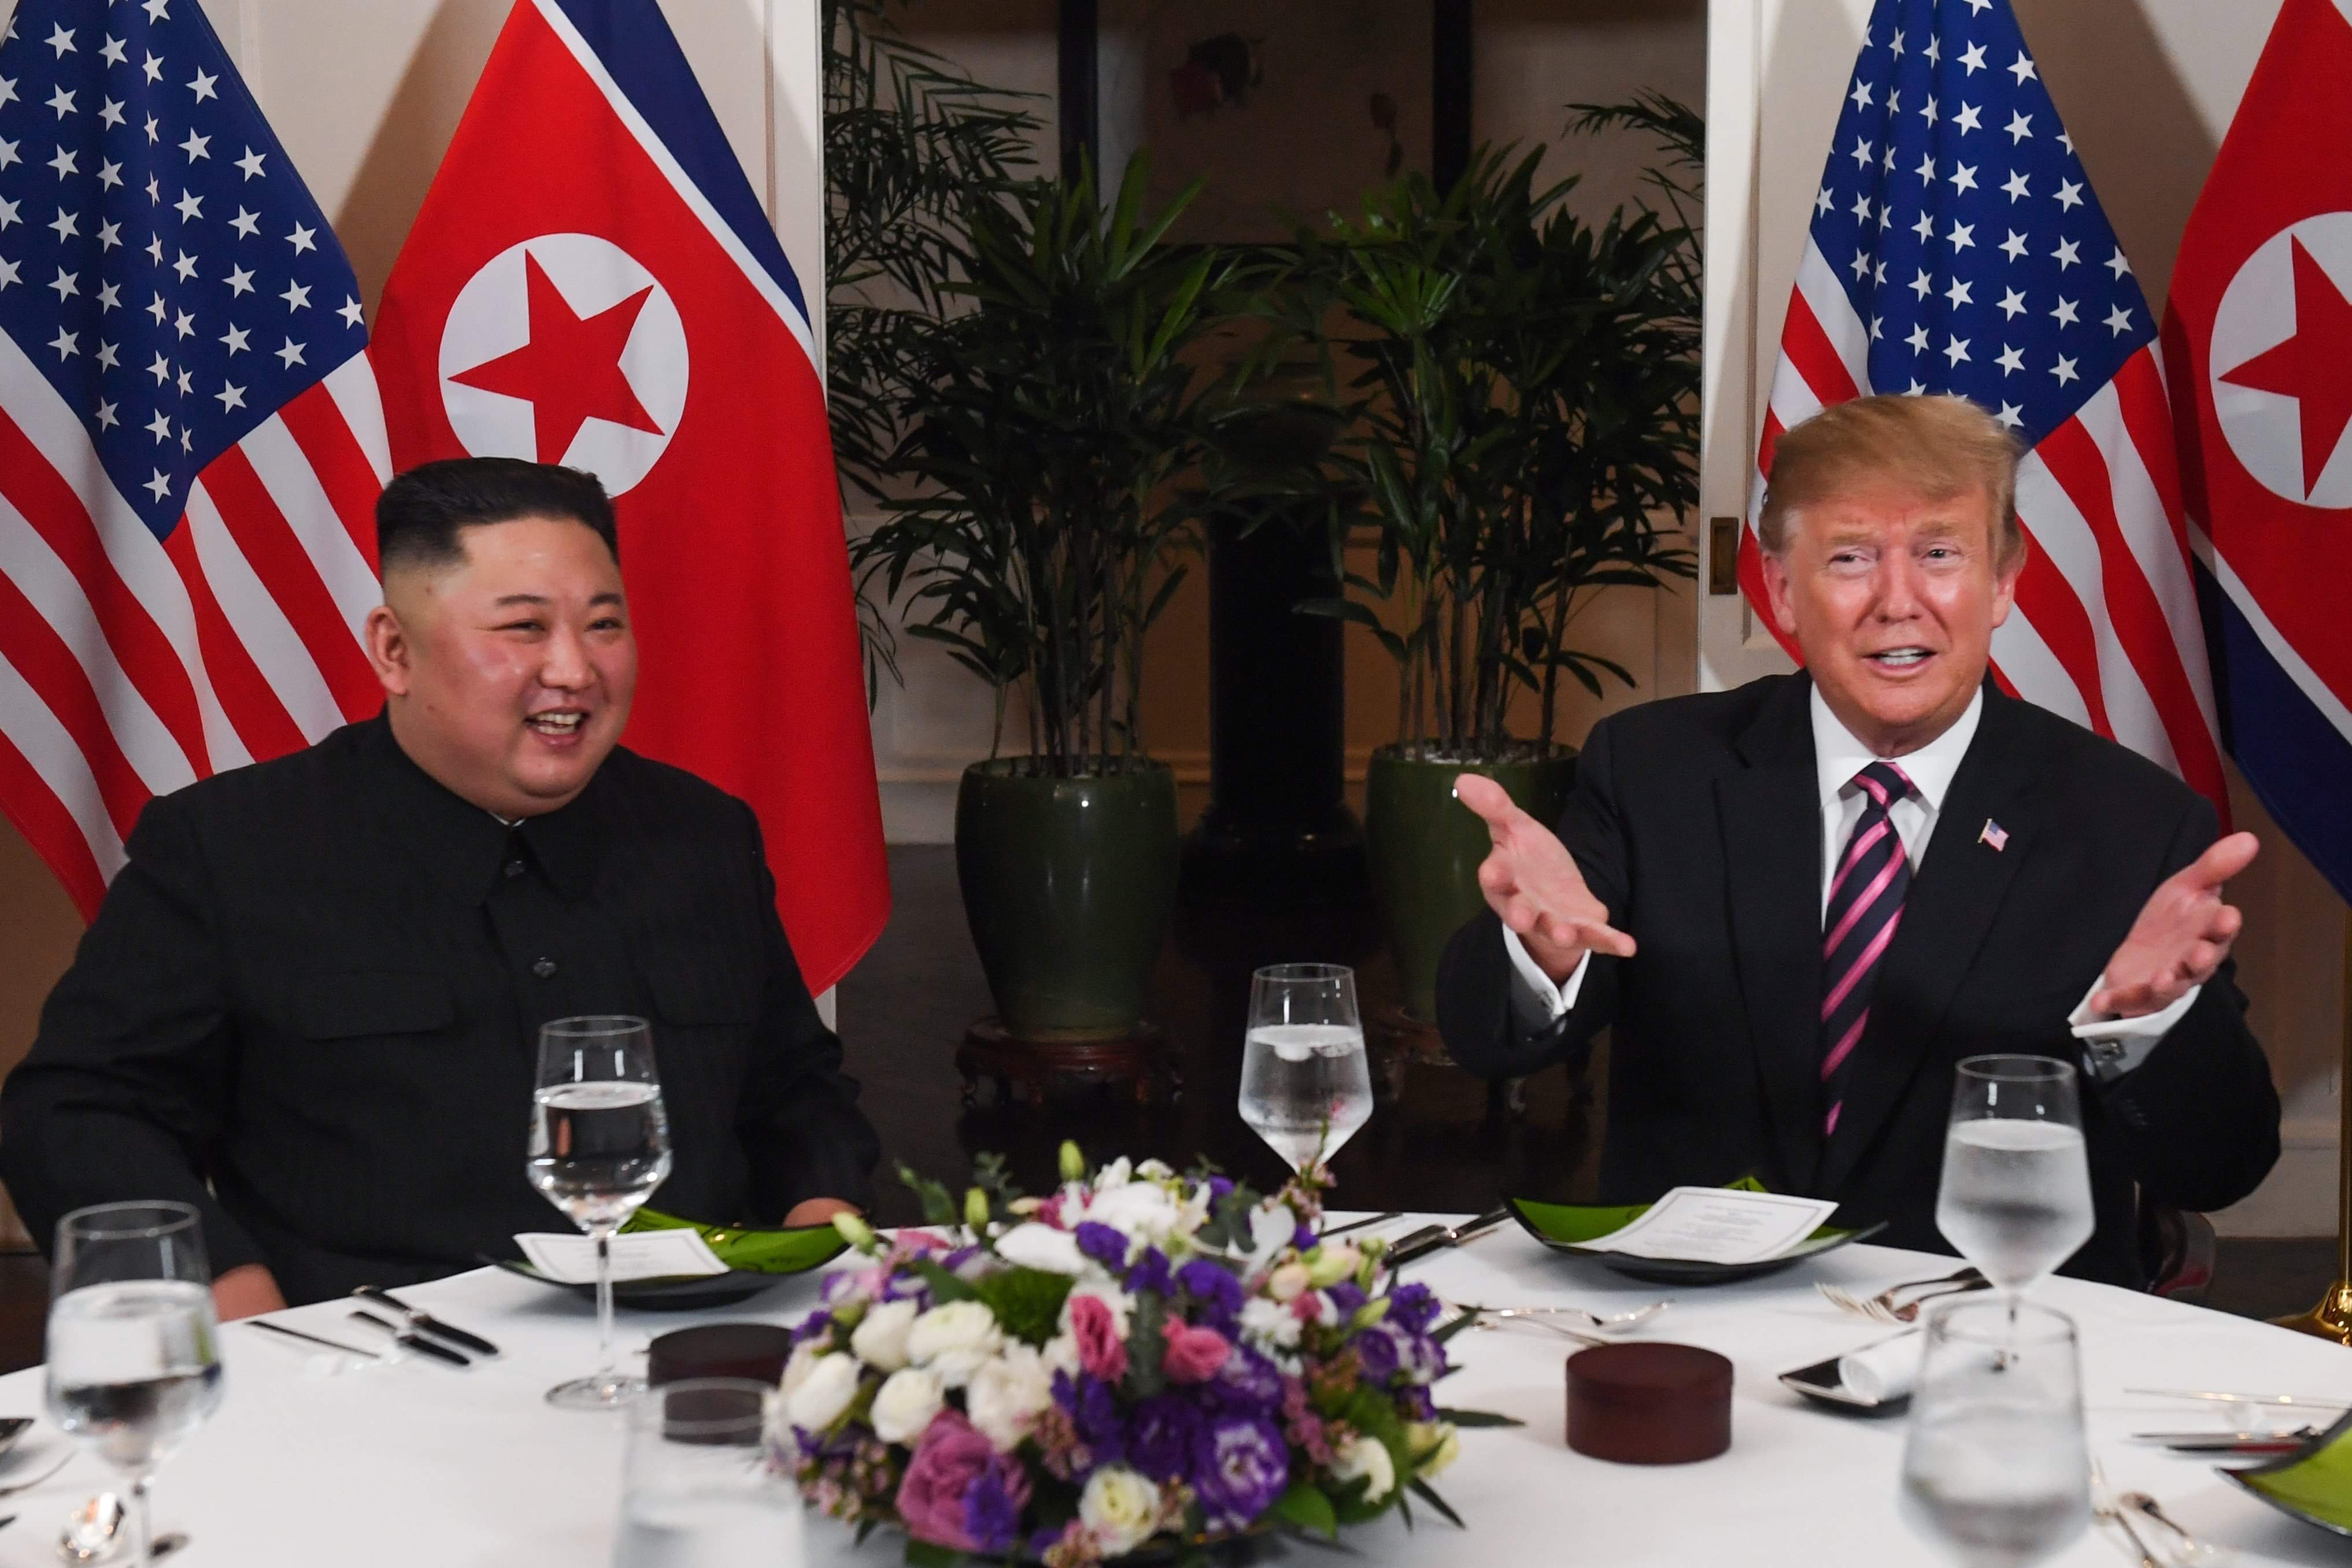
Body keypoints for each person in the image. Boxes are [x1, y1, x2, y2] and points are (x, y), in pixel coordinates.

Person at [1, 458, 881, 1316]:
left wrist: (820, 1224)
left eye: (604, 624)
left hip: (685, 1342)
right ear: (394, 649)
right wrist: (223, 1290)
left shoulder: (702, 834)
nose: (574, 670)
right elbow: (78, 1112)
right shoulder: (229, 847)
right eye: (524, 629)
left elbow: (794, 1089)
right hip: (365, 1370)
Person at [1435, 394, 2279, 1287]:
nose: (1897, 602)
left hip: (1989, 1345)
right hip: (1697, 1332)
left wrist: (2147, 1027)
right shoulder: (1653, 770)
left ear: (2003, 583)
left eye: (1940, 555)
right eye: (1850, 559)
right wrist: (1538, 954)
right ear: (1783, 591)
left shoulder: (2131, 824)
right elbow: (1486, 1039)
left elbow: (2224, 1167)